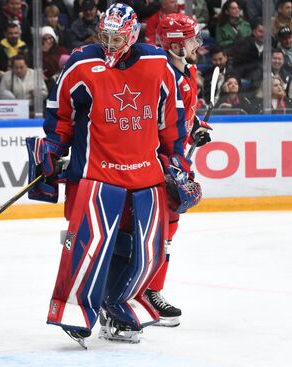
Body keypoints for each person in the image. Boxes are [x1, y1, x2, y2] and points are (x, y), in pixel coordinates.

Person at [26, 3, 201, 347]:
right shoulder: (81, 63)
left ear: (133, 34)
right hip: (95, 172)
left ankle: (119, 304)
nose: (109, 42)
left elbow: (172, 118)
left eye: (116, 36)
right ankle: (77, 310)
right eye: (104, 35)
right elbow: (60, 112)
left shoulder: (155, 62)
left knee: (146, 250)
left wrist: (176, 159)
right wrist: (53, 148)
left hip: (145, 175)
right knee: (89, 247)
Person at [149, 13, 212, 327]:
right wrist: (164, 164)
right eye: (190, 39)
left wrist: (196, 126)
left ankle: (152, 291)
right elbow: (152, 124)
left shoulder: (187, 70)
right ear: (174, 45)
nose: (197, 44)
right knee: (153, 232)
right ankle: (142, 293)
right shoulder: (158, 76)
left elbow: (182, 117)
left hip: (175, 162)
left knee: (168, 232)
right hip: (157, 165)